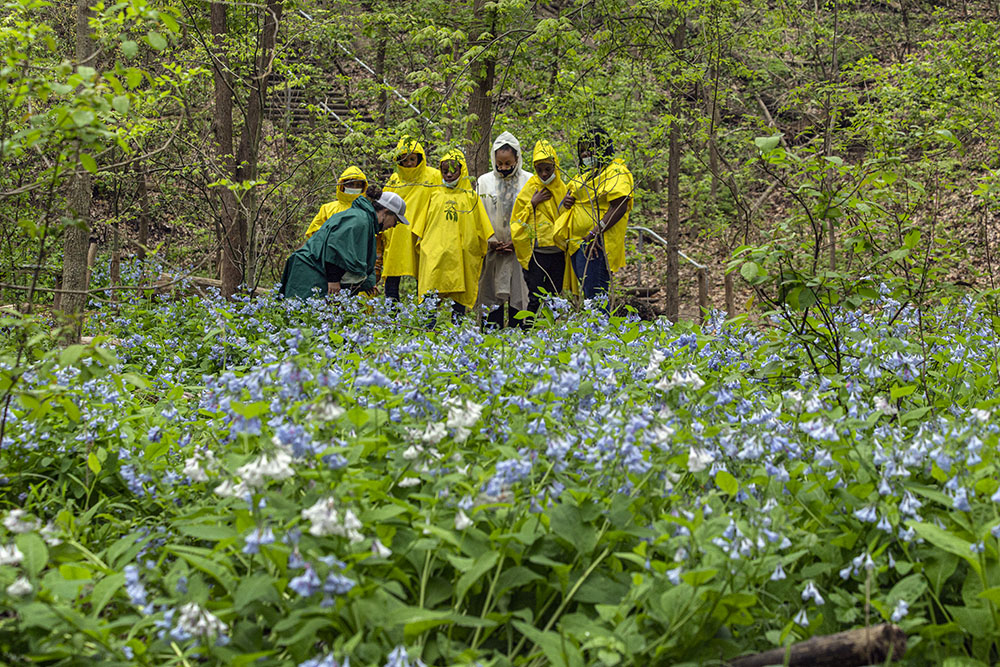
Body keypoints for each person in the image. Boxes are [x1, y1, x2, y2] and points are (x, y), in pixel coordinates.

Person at [279, 186, 408, 300]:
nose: (393, 226)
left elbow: (354, 259)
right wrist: (333, 280)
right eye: (395, 221)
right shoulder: (360, 220)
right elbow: (334, 246)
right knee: (300, 320)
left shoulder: (365, 220)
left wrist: (367, 283)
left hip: (313, 269)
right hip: (308, 270)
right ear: (385, 212)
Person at [554, 128, 634, 307]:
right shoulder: (586, 175)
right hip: (577, 243)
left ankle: (601, 333)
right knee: (588, 297)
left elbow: (619, 205)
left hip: (597, 243)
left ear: (603, 148)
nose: (586, 153)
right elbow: (574, 194)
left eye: (591, 148)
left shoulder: (615, 171)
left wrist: (595, 232)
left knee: (596, 297)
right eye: (582, 150)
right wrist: (568, 201)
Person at [412, 149, 493, 323]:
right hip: (434, 256)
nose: (448, 174)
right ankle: (428, 332)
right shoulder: (433, 195)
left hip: (461, 256)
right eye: (445, 170)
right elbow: (419, 229)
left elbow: (482, 229)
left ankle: (457, 333)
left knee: (459, 298)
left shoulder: (471, 197)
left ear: (461, 170)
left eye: (453, 170)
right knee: (430, 296)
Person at [476, 132, 531, 328]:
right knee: (491, 299)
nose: (504, 168)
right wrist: (490, 240)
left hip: (520, 252)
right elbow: (479, 215)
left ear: (517, 158)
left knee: (520, 297)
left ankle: (520, 344)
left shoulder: (529, 181)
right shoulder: (484, 182)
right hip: (493, 251)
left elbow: (533, 216)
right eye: (500, 163)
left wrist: (518, 241)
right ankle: (491, 342)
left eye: (508, 163)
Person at [511, 140, 570, 322]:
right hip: (536, 254)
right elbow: (517, 220)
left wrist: (569, 206)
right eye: (540, 170)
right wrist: (533, 204)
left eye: (548, 169)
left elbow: (566, 218)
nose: (544, 174)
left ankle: (551, 333)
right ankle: (528, 332)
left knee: (554, 296)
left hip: (558, 253)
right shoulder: (530, 188)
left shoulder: (563, 188)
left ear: (555, 166)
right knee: (535, 297)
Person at [382, 137, 441, 301]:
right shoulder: (395, 179)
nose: (408, 164)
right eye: (404, 159)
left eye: (412, 159)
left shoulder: (434, 176)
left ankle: (425, 318)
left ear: (420, 158)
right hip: (396, 236)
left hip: (424, 234)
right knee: (393, 277)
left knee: (424, 276)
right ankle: (392, 318)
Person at [303, 166, 368, 240]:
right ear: (343, 185)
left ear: (363, 188)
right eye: (350, 184)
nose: (354, 188)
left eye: (358, 185)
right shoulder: (327, 209)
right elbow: (315, 233)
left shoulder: (367, 210)